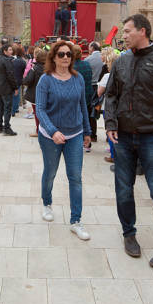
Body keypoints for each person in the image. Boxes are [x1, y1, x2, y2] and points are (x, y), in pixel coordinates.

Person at [104, 14, 153, 268]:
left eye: (127, 31)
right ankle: (129, 234)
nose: (123, 35)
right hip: (124, 138)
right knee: (123, 189)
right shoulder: (121, 62)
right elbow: (112, 96)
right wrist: (109, 124)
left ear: (143, 31)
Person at [35, 40, 92, 240]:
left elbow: (83, 105)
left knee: (75, 177)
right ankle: (47, 203)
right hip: (50, 136)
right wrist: (52, 131)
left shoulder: (78, 79)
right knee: (50, 172)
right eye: (61, 54)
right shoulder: (46, 80)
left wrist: (87, 130)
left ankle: (76, 220)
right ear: (54, 57)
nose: (66, 57)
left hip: (75, 134)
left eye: (69, 54)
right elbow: (40, 109)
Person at [0, 43, 18, 136]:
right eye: (10, 50)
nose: (12, 52)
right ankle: (6, 127)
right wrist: (15, 87)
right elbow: (10, 76)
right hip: (6, 88)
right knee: (7, 108)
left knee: (0, 107)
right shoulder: (6, 60)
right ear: (5, 51)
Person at [24, 48, 47, 138]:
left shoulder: (35, 69)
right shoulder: (49, 68)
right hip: (46, 94)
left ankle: (39, 131)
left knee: (37, 114)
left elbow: (27, 81)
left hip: (35, 94)